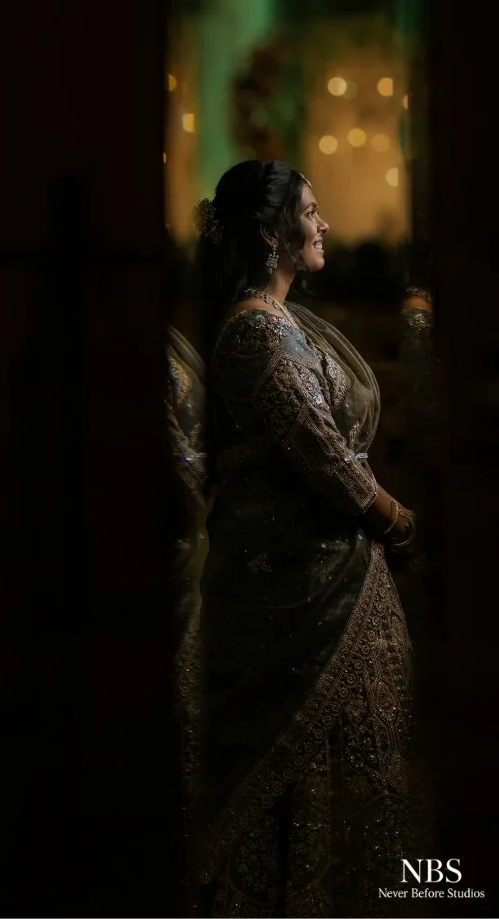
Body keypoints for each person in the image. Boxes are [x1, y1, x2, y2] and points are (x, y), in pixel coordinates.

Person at [184, 159, 419, 918]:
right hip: (294, 601)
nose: (323, 226)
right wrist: (396, 519)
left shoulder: (283, 322)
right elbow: (324, 455)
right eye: (310, 212)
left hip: (333, 582)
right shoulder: (254, 333)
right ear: (268, 232)